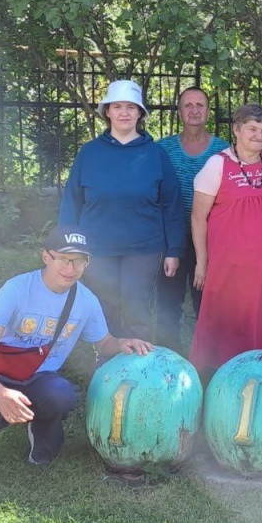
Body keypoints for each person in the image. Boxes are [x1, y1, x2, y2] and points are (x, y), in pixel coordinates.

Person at [0, 226, 153, 485]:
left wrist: (122, 342)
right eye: (62, 258)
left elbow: (104, 343)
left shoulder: (86, 301)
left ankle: (42, 444)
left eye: (78, 261)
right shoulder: (16, 289)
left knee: (62, 395)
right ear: (46, 257)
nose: (70, 268)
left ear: (87, 264)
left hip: (39, 378)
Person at [188, 103, 262, 380]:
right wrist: (202, 262)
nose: (259, 135)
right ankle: (219, 382)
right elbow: (198, 217)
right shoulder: (218, 164)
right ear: (236, 129)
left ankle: (261, 379)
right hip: (229, 269)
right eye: (252, 129)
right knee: (226, 326)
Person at [59, 79, 185, 341]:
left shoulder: (155, 154)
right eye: (117, 107)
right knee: (105, 307)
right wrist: (66, 246)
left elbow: (172, 205)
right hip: (97, 247)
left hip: (144, 248)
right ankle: (106, 367)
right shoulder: (89, 153)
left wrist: (173, 250)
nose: (124, 113)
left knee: (135, 305)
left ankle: (137, 369)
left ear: (140, 113)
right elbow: (72, 201)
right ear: (107, 112)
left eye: (131, 107)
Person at [157, 86, 230, 350]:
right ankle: (168, 360)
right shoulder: (162, 149)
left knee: (207, 305)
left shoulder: (224, 151)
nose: (194, 110)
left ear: (208, 112)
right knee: (168, 304)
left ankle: (206, 364)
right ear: (179, 112)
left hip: (211, 239)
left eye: (200, 105)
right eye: (188, 105)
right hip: (172, 239)